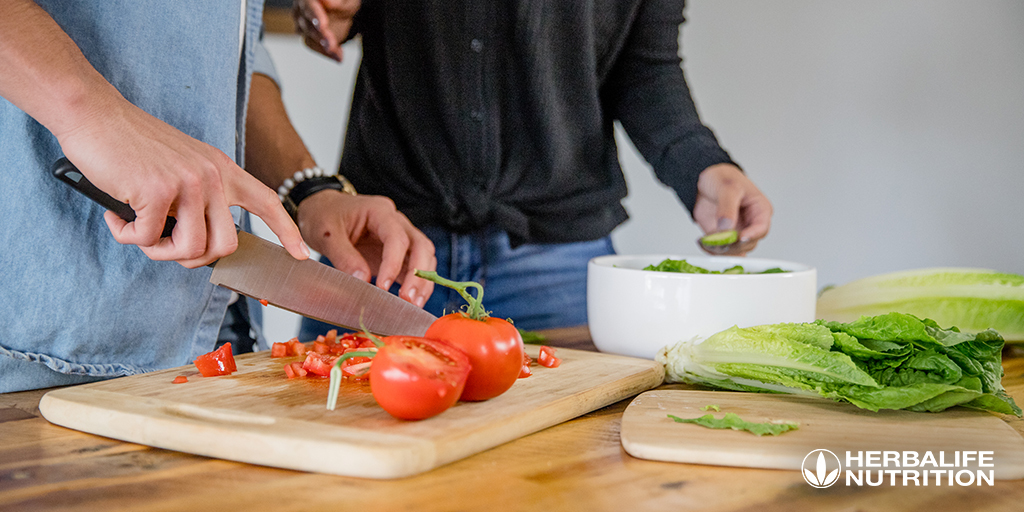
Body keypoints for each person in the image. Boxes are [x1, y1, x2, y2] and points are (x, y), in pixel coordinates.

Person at [0, 0, 433, 393]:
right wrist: (91, 113)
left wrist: (310, 190)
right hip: (47, 353)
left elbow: (231, 60)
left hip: (220, 330)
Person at [293, 0, 773, 339]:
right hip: (382, 244)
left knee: (566, 471)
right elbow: (330, 14)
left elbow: (645, 65)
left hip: (555, 256)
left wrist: (702, 165)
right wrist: (328, 15)